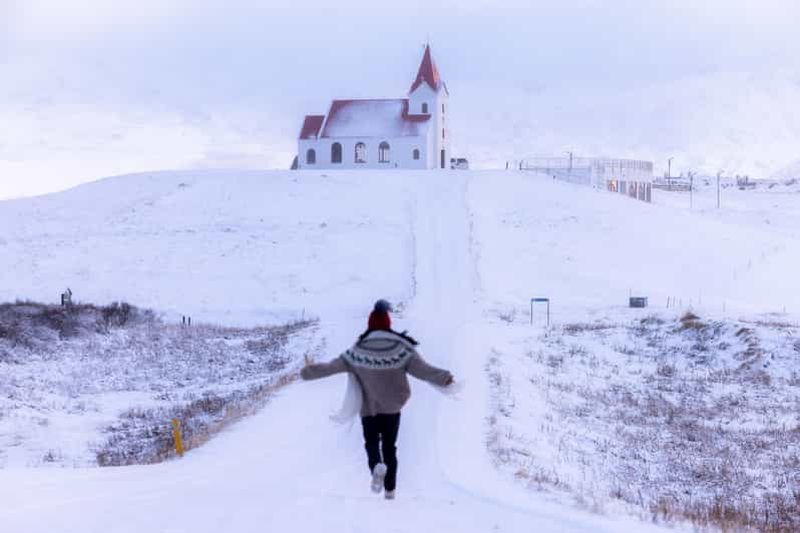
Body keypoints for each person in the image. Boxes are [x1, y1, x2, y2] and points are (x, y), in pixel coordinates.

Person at [300, 299, 454, 500]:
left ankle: (376, 467)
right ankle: (390, 491)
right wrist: (445, 378)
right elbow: (423, 370)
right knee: (390, 447)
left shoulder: (358, 350)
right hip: (392, 408)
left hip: (369, 408)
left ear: (370, 325)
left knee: (372, 443)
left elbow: (332, 367)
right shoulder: (401, 348)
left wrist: (307, 372)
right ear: (388, 324)